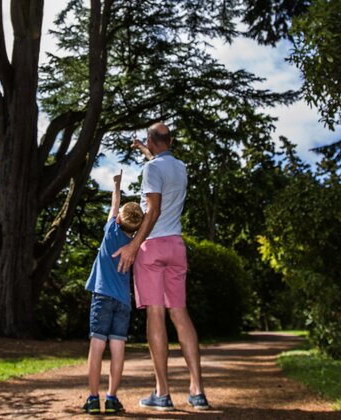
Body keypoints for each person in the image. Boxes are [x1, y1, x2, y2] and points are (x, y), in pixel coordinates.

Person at [114, 122, 210, 411]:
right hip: (176, 247)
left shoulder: (151, 170)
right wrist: (143, 149)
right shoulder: (179, 167)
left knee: (155, 314)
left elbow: (152, 210)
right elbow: (158, 162)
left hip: (153, 247)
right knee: (179, 313)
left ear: (151, 139)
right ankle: (197, 391)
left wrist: (133, 245)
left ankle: (162, 393)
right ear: (168, 140)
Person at [82, 170, 145, 415]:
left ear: (118, 219)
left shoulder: (110, 230)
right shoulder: (135, 245)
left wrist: (117, 184)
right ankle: (111, 399)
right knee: (118, 347)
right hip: (122, 302)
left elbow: (115, 202)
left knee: (97, 346)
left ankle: (92, 398)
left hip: (101, 297)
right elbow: (142, 222)